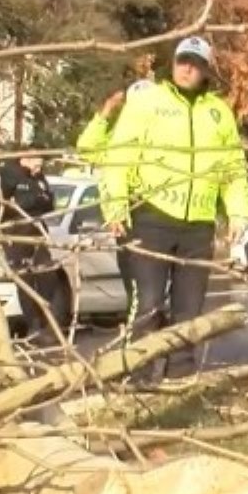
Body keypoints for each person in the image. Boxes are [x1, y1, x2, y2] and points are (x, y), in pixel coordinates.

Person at [102, 36, 248, 381]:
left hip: (198, 224)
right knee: (148, 305)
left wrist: (239, 212)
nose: (187, 69)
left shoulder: (219, 113)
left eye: (195, 64)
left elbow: (233, 169)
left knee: (189, 311)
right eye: (182, 61)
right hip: (151, 218)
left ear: (205, 71)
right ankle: (137, 382)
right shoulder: (147, 102)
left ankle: (179, 380)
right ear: (172, 64)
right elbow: (119, 156)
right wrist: (115, 205)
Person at [76, 77, 154, 319]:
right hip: (124, 222)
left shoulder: (162, 139)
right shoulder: (116, 139)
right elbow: (87, 148)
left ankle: (149, 324)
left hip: (153, 217)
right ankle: (138, 331)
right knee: (133, 285)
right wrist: (106, 112)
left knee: (150, 287)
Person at [0, 150, 59, 343]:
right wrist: (34, 200)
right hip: (17, 233)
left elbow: (48, 201)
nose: (39, 169)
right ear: (25, 158)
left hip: (38, 231)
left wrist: (39, 199)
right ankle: (33, 326)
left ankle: (46, 321)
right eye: (37, 164)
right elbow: (5, 204)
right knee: (25, 280)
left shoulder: (38, 177)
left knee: (48, 276)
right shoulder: (9, 174)